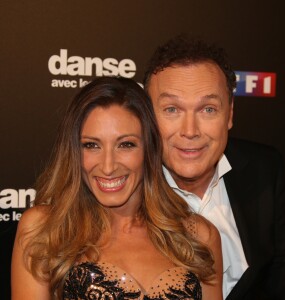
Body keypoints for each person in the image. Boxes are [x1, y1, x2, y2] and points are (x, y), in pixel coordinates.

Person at [11, 77, 222, 300]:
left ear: (149, 149)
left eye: (126, 145)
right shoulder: (46, 230)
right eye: (91, 145)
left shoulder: (198, 236)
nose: (108, 166)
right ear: (73, 151)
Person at [143, 35, 285, 300]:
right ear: (147, 116)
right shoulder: (125, 190)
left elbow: (283, 268)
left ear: (229, 115)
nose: (190, 131)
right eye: (172, 109)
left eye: (208, 109)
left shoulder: (263, 166)